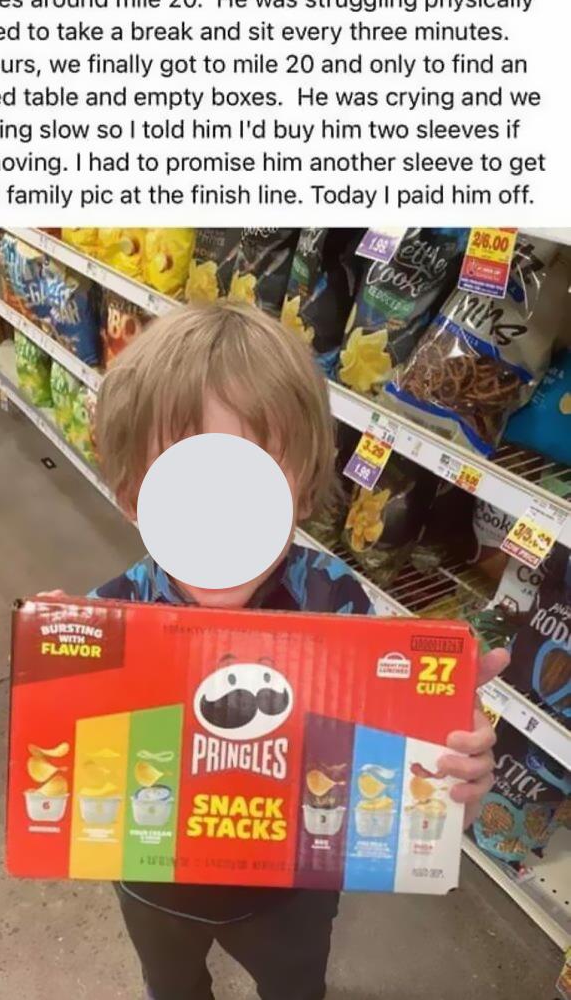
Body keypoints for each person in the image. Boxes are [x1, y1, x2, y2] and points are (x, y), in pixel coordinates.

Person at [85, 300, 506, 1000]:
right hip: (152, 881)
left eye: (253, 479)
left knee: (294, 984)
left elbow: (398, 782)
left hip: (290, 894)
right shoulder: (109, 621)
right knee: (170, 985)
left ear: (304, 488)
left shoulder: (337, 606)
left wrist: (444, 778)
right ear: (135, 495)